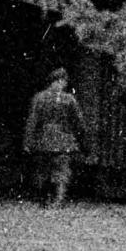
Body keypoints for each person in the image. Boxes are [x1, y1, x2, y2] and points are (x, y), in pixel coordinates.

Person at [23, 66, 85, 207]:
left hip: (43, 138)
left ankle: (44, 200)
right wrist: (80, 139)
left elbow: (32, 120)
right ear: (60, 81)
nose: (62, 84)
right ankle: (58, 199)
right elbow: (79, 122)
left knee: (43, 169)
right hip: (63, 139)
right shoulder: (70, 99)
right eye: (62, 81)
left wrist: (27, 142)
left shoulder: (39, 97)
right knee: (61, 170)